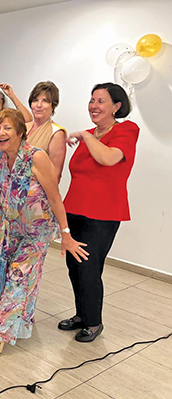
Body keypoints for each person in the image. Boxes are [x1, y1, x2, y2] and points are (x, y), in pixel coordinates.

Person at [0, 109, 87, 353]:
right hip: (11, 227)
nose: (1, 133)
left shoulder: (36, 157)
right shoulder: (0, 157)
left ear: (21, 132)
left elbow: (54, 197)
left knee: (19, 276)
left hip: (37, 231)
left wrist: (66, 233)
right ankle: (18, 325)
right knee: (9, 277)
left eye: (7, 128)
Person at [59, 83, 139, 343]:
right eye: (92, 100)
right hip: (74, 210)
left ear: (117, 106)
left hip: (103, 214)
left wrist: (86, 136)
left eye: (101, 101)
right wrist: (88, 135)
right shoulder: (90, 135)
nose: (93, 105)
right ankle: (81, 315)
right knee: (74, 265)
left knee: (89, 267)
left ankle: (94, 322)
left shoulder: (126, 129)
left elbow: (109, 158)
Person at [25, 81, 67, 181]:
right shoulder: (23, 127)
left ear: (53, 105)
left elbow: (55, 174)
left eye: (45, 101)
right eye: (35, 100)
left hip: (37, 193)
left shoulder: (56, 133)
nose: (39, 105)